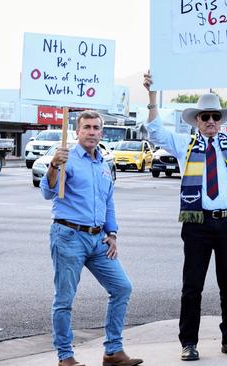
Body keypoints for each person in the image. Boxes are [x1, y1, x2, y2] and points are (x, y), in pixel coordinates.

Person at [143, 71, 227, 361]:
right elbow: (154, 131)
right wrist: (152, 96)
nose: (211, 122)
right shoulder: (184, 144)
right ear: (197, 121)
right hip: (197, 222)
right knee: (192, 285)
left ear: (221, 119)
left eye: (216, 116)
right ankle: (188, 342)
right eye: (205, 117)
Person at [41, 110, 142, 366]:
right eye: (87, 127)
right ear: (77, 131)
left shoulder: (104, 164)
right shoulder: (66, 157)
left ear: (101, 132)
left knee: (122, 287)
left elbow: (108, 203)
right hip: (68, 236)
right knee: (64, 298)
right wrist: (54, 166)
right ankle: (65, 357)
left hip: (98, 240)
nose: (92, 132)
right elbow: (47, 191)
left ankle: (113, 352)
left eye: (96, 128)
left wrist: (113, 234)